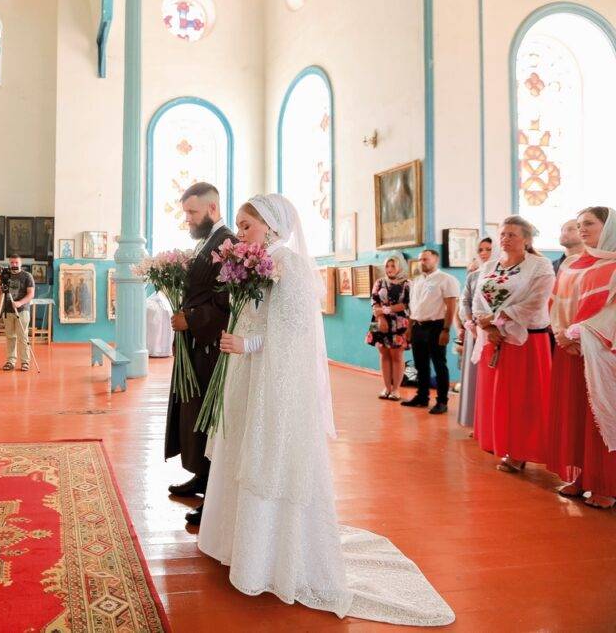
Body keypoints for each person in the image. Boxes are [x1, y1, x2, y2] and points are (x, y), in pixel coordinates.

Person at [197, 194, 454, 626]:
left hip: (274, 382)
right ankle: (239, 545)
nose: (239, 235)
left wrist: (248, 344)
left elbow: (293, 337)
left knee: (268, 459)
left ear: (273, 226)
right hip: (250, 375)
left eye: (246, 226)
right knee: (244, 452)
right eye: (239, 227)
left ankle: (272, 558)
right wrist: (240, 338)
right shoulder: (257, 263)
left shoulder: (289, 266)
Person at [166, 182, 235, 526]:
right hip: (197, 345)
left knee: (210, 418)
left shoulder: (229, 245)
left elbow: (227, 305)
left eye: (192, 213)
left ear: (211, 209)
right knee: (196, 415)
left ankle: (214, 493)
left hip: (212, 347)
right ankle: (201, 477)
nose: (188, 220)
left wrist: (190, 319)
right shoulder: (208, 242)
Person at [470, 215, 554, 473]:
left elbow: (535, 302)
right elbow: (477, 299)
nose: (505, 239)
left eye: (512, 235)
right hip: (493, 340)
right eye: (503, 234)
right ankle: (502, 443)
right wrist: (485, 325)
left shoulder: (540, 266)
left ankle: (521, 450)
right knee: (498, 396)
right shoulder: (490, 266)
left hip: (524, 340)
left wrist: (498, 320)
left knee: (522, 398)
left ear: (527, 239)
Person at [547, 206, 616, 508]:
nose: (582, 229)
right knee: (575, 413)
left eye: (589, 224)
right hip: (570, 351)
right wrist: (562, 333)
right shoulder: (572, 263)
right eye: (579, 224)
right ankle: (582, 475)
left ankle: (606, 484)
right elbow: (557, 303)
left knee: (600, 415)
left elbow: (611, 313)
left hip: (601, 350)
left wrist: (577, 333)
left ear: (609, 227)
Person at [402, 250, 460, 414]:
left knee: (439, 364)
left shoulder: (447, 280)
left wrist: (446, 330)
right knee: (421, 365)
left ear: (436, 259)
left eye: (426, 259)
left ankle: (442, 401)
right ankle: (422, 396)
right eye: (420, 259)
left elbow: (451, 307)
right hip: (418, 327)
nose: (422, 262)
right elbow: (414, 306)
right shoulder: (417, 281)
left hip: (436, 326)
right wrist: (409, 328)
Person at [456, 237, 493, 427]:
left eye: (488, 249)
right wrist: (469, 322)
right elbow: (465, 301)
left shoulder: (502, 273)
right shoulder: (473, 275)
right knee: (475, 379)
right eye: (481, 250)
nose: (484, 253)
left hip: (494, 331)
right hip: (475, 331)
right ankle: (476, 421)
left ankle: (490, 422)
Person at [365, 253, 410, 401]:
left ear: (399, 267)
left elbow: (406, 304)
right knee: (383, 353)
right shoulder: (379, 282)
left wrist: (386, 310)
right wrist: (380, 317)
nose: (389, 269)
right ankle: (387, 387)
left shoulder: (407, 284)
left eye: (393, 266)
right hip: (380, 321)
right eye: (387, 266)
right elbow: (374, 300)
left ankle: (396, 389)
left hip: (399, 322)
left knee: (396, 355)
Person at [1, 253, 35, 372]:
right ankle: (11, 361)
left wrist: (20, 303)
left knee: (23, 337)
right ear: (9, 263)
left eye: (16, 262)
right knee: (10, 336)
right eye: (12, 263)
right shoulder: (6, 275)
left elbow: (31, 294)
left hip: (22, 310)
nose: (14, 265)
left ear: (21, 263)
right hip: (7, 310)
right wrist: (1, 286)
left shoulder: (27, 276)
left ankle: (25, 362)